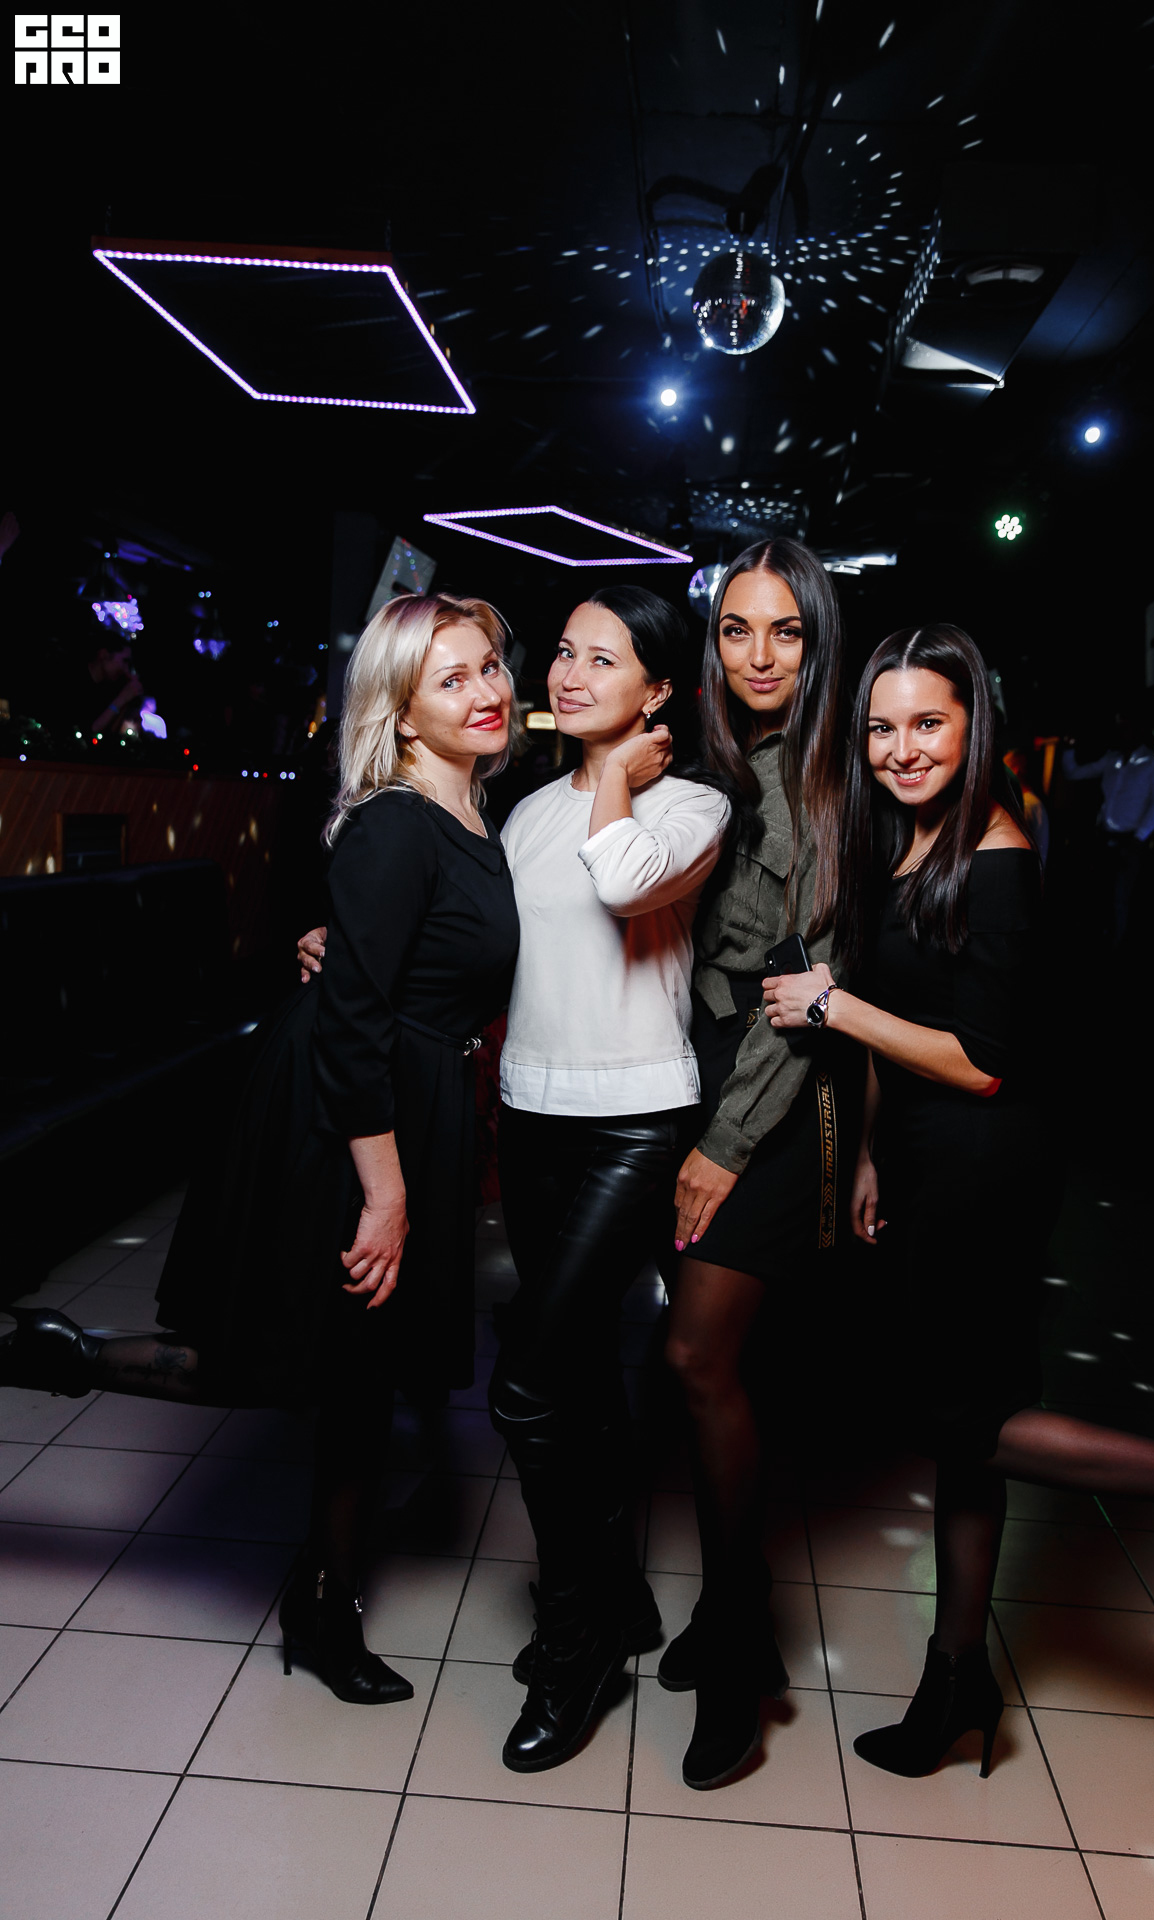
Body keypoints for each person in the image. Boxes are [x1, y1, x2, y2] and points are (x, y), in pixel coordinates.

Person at [763, 622, 1154, 1780]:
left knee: (958, 1420)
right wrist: (869, 1152)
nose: (900, 749)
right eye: (881, 727)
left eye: (927, 724)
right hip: (928, 1153)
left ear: (973, 726)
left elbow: (981, 1060)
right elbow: (913, 1026)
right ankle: (956, 1677)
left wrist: (829, 1004)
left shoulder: (993, 856)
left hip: (985, 1165)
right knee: (967, 1437)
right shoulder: (908, 838)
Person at [1, 592, 520, 1707]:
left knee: (355, 1378)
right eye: (451, 679)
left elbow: (392, 962)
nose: (485, 692)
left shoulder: (472, 810)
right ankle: (49, 1353)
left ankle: (323, 1605)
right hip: (352, 1117)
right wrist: (386, 1193)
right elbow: (354, 1024)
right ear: (400, 709)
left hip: (405, 1098)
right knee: (268, 1362)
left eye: (489, 666)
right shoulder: (398, 821)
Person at [300, 586, 731, 1772]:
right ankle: (615, 1595)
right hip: (533, 1118)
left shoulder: (690, 803)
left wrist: (617, 776)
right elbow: (472, 941)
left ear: (658, 692)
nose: (567, 673)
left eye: (606, 659)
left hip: (635, 1119)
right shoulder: (519, 808)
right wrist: (347, 947)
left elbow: (622, 882)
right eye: (564, 652)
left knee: (530, 1386)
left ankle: (576, 1635)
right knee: (578, 1377)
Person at [660, 537, 856, 1791]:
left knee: (699, 1358)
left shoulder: (832, 780)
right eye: (737, 629)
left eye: (784, 630)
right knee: (704, 1367)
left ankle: (739, 1649)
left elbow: (804, 994)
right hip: (689, 1059)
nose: (759, 655)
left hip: (773, 1085)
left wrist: (722, 1147)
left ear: (817, 640)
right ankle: (726, 1614)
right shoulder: (701, 758)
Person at [1063, 723, 1154, 943]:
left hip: (1130, 841)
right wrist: (1068, 748)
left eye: (1128, 728)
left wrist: (1139, 837)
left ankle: (1117, 945)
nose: (1124, 734)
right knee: (1098, 891)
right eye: (1121, 729)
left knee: (1121, 896)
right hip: (1104, 836)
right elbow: (1074, 773)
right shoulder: (1113, 759)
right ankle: (1096, 938)